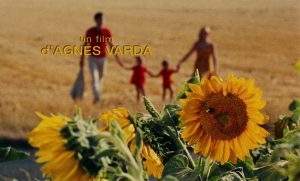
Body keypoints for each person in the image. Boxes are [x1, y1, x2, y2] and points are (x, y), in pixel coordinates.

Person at [79, 12, 123, 104]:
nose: (102, 21)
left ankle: (97, 95)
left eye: (103, 19)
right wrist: (82, 58)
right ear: (96, 20)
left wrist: (118, 59)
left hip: (103, 58)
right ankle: (97, 98)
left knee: (100, 78)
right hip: (92, 58)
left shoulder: (107, 31)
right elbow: (85, 45)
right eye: (100, 19)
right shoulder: (90, 31)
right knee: (95, 78)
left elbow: (111, 45)